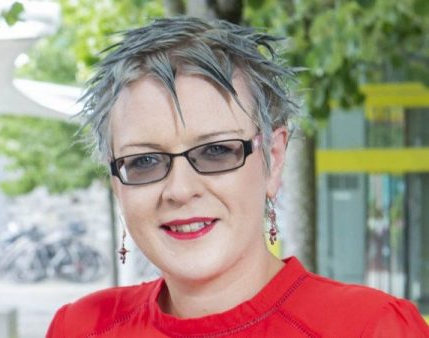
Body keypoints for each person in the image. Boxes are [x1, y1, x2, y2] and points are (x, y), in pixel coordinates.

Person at [46, 17, 429, 337]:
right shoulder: (81, 328)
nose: (180, 190)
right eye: (144, 160)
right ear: (117, 181)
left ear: (273, 159)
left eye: (216, 151)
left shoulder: (371, 328)